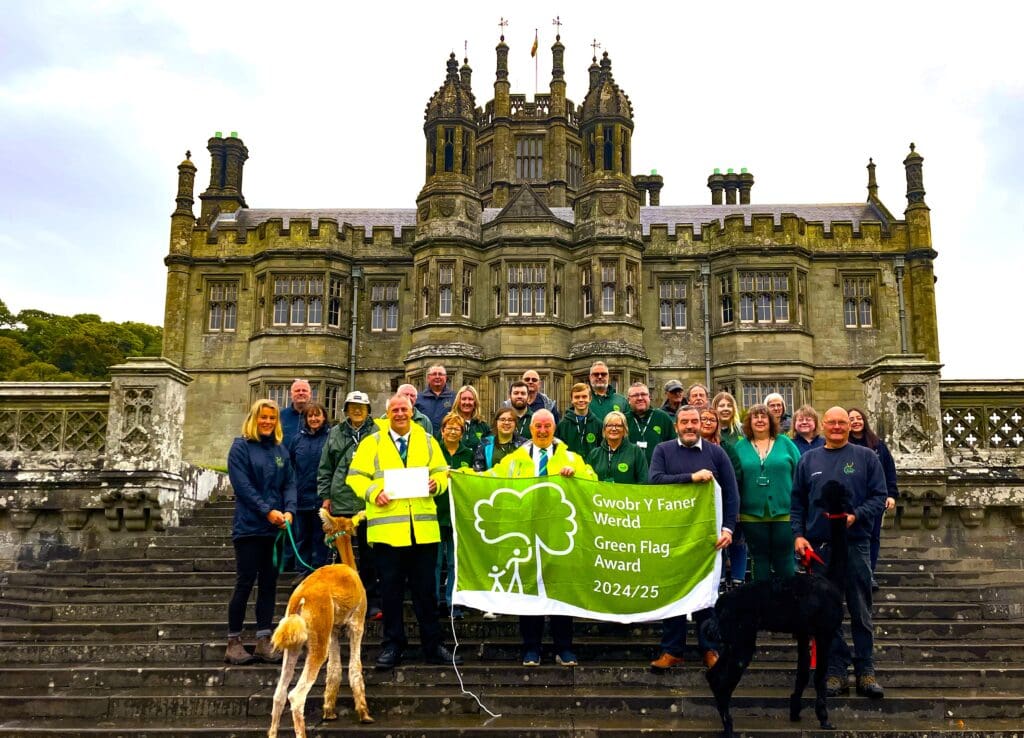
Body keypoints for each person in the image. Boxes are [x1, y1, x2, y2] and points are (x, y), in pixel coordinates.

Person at [346, 394, 461, 668]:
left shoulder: (427, 439)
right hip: (387, 533)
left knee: (426, 593)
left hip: (422, 531)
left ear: (412, 412)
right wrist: (374, 492)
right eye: (395, 410)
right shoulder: (371, 442)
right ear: (387, 414)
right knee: (391, 593)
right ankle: (393, 645)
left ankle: (432, 645)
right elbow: (355, 476)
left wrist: (436, 483)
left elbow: (443, 471)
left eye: (404, 409)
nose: (400, 413)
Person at [791, 406, 887, 699]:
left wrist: (856, 515)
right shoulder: (808, 460)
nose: (836, 427)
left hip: (854, 544)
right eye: (831, 422)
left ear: (849, 426)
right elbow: (797, 503)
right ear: (824, 425)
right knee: (826, 613)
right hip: (820, 547)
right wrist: (798, 536)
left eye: (841, 422)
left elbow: (879, 496)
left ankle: (865, 671)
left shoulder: (867, 458)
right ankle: (835, 671)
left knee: (860, 610)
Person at [491, 409, 598, 667]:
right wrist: (460, 476)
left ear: (554, 429)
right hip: (526, 533)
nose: (541, 430)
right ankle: (531, 648)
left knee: (561, 591)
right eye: (537, 426)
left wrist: (577, 476)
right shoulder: (515, 460)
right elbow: (492, 478)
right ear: (530, 429)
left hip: (559, 535)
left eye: (547, 426)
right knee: (529, 591)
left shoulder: (571, 457)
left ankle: (564, 647)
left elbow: (593, 481)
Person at [648, 406, 739, 671]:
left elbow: (732, 494)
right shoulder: (663, 450)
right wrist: (691, 478)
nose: (689, 426)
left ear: (702, 424)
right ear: (676, 425)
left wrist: (728, 529)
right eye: (684, 422)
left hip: (707, 538)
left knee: (706, 596)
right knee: (673, 592)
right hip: (672, 536)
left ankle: (709, 649)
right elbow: (654, 481)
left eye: (694, 422)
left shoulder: (716, 453)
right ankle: (672, 650)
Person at [225, 398, 296, 665]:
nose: (267, 422)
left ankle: (264, 640)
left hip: (274, 529)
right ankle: (234, 640)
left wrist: (289, 510)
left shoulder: (280, 450)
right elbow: (243, 486)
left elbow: (290, 482)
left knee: (269, 584)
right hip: (249, 528)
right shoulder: (240, 447)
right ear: (254, 419)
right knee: (245, 583)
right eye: (263, 417)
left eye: (272, 418)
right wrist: (267, 510)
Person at [318, 390, 381, 619]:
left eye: (361, 406)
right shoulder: (335, 433)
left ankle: (370, 600)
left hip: (368, 501)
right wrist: (325, 496)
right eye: (352, 406)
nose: (356, 410)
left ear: (368, 410)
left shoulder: (378, 432)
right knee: (340, 555)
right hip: (342, 500)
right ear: (345, 409)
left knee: (369, 555)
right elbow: (325, 467)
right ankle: (341, 599)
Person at [730, 404, 801, 582]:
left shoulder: (786, 443)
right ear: (749, 422)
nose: (760, 420)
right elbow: (734, 480)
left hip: (784, 513)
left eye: (764, 417)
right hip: (751, 515)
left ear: (771, 421)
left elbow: (800, 475)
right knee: (759, 560)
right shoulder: (740, 446)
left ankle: (786, 605)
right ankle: (761, 606)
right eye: (755, 417)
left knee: (785, 561)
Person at [847, 407, 899, 584]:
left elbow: (889, 471)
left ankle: (869, 574)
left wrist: (891, 494)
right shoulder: (843, 445)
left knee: (873, 536)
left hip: (875, 499)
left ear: (864, 421)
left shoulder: (878, 445)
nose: (855, 421)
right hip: (852, 500)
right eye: (851, 419)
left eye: (858, 418)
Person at [284, 401, 332, 572]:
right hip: (301, 498)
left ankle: (320, 571)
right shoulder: (297, 440)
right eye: (310, 415)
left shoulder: (331, 437)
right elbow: (289, 468)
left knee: (321, 538)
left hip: (323, 499)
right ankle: (302, 572)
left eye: (317, 415)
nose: (313, 418)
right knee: (302, 537)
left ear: (324, 416)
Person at [436, 412, 474, 619]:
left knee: (453, 562)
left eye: (456, 428)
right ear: (442, 431)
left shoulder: (468, 453)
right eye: (448, 428)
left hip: (457, 514)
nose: (452, 431)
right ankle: (434, 601)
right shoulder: (434, 452)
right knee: (435, 563)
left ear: (462, 433)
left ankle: (453, 602)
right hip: (434, 512)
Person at [712, 391, 746, 584]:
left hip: (740, 492)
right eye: (721, 405)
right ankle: (722, 580)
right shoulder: (710, 433)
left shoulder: (742, 433)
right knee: (720, 541)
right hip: (718, 496)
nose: (725, 409)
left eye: (729, 405)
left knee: (739, 540)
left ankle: (738, 581)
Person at [587, 410, 648, 483]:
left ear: (624, 429)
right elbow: (587, 480)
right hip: (601, 494)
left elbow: (643, 480)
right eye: (610, 425)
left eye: (618, 425)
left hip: (627, 494)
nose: (614, 429)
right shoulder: (595, 454)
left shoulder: (635, 451)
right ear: (604, 429)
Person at [625, 382, 675, 465]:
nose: (640, 398)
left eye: (643, 394)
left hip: (657, 471)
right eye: (635, 395)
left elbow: (673, 446)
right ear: (629, 400)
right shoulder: (623, 420)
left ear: (649, 397)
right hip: (630, 473)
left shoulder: (662, 417)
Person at [473, 407, 528, 472]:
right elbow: (478, 471)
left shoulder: (525, 444)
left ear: (515, 423)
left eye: (510, 420)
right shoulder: (485, 444)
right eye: (502, 419)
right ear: (496, 422)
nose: (506, 422)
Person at [556, 382, 603, 458]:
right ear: (571, 399)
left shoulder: (598, 424)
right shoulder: (563, 425)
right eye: (577, 397)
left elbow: (602, 451)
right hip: (570, 468)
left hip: (591, 468)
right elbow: (558, 451)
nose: (581, 400)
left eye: (584, 397)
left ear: (590, 399)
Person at [416, 364, 456, 436]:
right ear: (428, 378)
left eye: (440, 374)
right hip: (424, 439)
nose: (437, 377)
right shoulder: (418, 398)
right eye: (434, 374)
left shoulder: (454, 397)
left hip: (447, 440)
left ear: (446, 377)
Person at [454, 384, 491, 451]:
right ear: (458, 402)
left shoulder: (483, 426)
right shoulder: (450, 423)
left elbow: (489, 450)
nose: (467, 402)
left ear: (475, 403)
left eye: (470, 399)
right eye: (463, 399)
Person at [279, 379, 312, 446]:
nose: (301, 393)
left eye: (304, 390)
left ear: (310, 394)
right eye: (297, 390)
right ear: (291, 394)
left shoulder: (317, 417)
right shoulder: (280, 416)